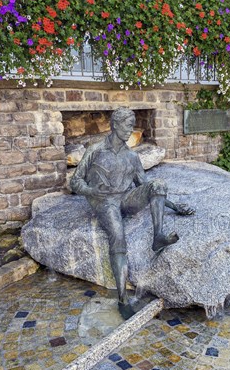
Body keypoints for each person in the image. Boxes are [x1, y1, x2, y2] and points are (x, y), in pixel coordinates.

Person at [71, 107, 194, 319]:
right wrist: (91, 191)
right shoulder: (96, 150)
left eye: (132, 124)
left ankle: (158, 237)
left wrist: (174, 206)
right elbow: (75, 181)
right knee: (118, 236)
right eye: (127, 124)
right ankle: (122, 299)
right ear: (114, 125)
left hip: (125, 198)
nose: (130, 129)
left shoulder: (131, 157)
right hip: (105, 201)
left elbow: (147, 189)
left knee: (158, 184)